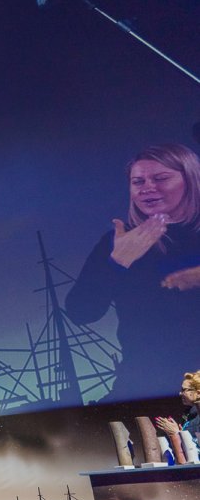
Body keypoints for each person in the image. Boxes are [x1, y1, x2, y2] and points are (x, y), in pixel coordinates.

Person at [66, 144, 200, 400]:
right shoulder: (117, 242)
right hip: (148, 388)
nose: (147, 187)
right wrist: (118, 261)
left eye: (161, 178)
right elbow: (80, 312)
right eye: (138, 181)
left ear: (191, 180)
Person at [154, 369, 200, 446]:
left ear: (198, 393)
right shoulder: (188, 414)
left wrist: (176, 433)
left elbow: (197, 443)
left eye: (184, 390)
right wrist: (177, 432)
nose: (180, 393)